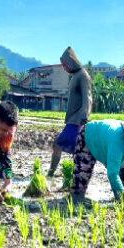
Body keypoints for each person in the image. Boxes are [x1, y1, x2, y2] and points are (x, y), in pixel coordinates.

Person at [71, 111, 124, 205]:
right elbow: (112, 173)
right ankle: (76, 198)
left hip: (105, 139)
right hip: (88, 136)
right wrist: (123, 199)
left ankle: (123, 196)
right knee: (83, 173)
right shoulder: (117, 141)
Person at [47, 46, 93, 177]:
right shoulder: (75, 76)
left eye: (65, 65)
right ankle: (76, 175)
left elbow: (88, 97)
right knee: (75, 150)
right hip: (73, 119)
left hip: (78, 119)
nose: (64, 68)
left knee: (58, 144)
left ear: (71, 62)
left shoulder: (83, 76)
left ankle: (51, 173)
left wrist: (84, 116)